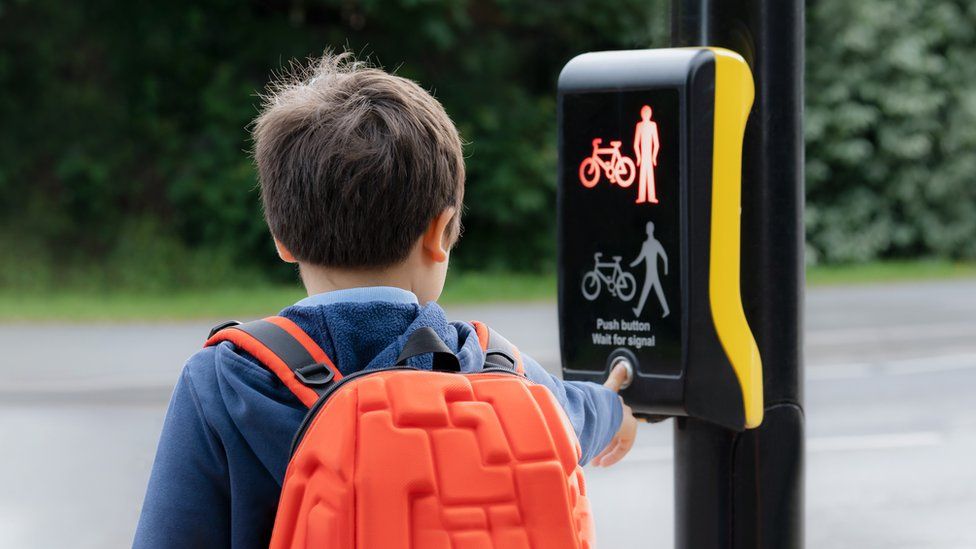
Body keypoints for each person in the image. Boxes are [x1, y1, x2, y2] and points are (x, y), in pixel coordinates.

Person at [133, 52, 638, 548]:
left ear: (281, 238)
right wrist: (614, 408)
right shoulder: (494, 366)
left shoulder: (225, 382)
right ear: (440, 233)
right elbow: (579, 414)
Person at [631, 221, 670, 318]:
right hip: (650, 273)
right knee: (654, 291)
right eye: (647, 228)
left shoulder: (656, 243)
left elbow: (665, 257)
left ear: (651, 229)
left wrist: (665, 270)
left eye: (648, 228)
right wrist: (633, 264)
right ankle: (665, 310)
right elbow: (640, 257)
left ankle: (639, 310)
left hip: (653, 274)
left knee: (650, 291)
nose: (647, 229)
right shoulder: (645, 244)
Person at [633, 104, 660, 204]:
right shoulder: (639, 126)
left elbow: (656, 143)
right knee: (643, 175)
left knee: (649, 175)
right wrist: (639, 157)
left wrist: (654, 156)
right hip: (644, 155)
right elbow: (636, 144)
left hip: (647, 155)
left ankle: (651, 197)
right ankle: (641, 197)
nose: (645, 114)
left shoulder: (653, 125)